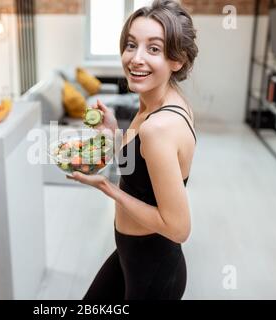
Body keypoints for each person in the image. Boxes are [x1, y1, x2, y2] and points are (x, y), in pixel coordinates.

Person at [68, 0, 198, 300]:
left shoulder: (159, 127)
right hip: (131, 255)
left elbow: (179, 229)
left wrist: (108, 187)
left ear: (177, 59)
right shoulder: (159, 102)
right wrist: (115, 133)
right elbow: (142, 174)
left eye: (153, 48)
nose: (136, 58)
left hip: (154, 272)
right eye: (131, 45)